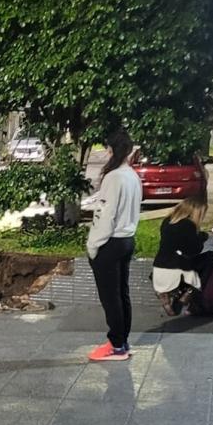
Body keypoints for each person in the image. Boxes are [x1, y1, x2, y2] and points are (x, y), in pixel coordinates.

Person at [86, 129, 141, 362]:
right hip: (127, 239)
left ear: (111, 150)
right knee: (121, 294)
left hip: (110, 242)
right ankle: (121, 341)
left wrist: (93, 245)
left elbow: (105, 216)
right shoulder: (132, 176)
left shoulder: (114, 177)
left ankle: (117, 345)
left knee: (110, 297)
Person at [152, 196, 212, 316]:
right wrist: (202, 237)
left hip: (159, 267)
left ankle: (165, 294)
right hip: (178, 269)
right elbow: (193, 250)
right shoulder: (188, 225)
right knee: (210, 257)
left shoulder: (167, 221)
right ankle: (189, 292)